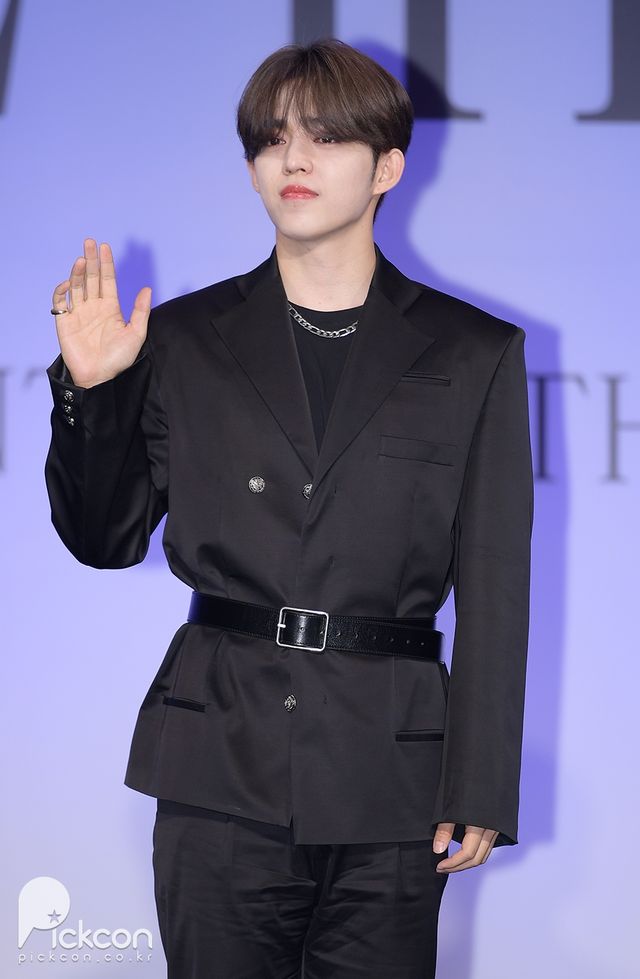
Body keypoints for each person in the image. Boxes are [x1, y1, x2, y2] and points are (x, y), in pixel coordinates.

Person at [45, 38, 534, 979]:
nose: (294, 158)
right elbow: (103, 540)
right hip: (219, 760)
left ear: (388, 167)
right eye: (272, 140)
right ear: (251, 170)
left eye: (325, 136)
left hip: (393, 775)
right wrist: (94, 393)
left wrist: (480, 782)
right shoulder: (178, 340)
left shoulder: (473, 352)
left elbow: (497, 584)